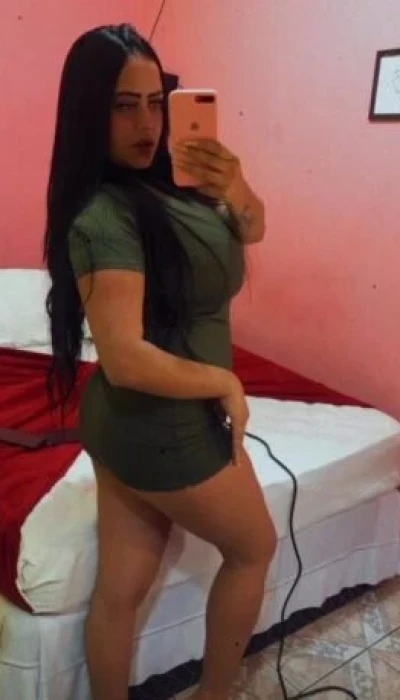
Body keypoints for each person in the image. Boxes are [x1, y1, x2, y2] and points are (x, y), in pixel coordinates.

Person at [43, 23, 277, 700]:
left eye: (155, 102)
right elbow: (125, 359)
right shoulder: (102, 215)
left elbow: (255, 226)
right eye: (124, 106)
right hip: (166, 425)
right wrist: (223, 380)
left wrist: (235, 184)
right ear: (89, 112)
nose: (146, 124)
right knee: (254, 549)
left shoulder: (173, 182)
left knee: (119, 591)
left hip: (120, 426)